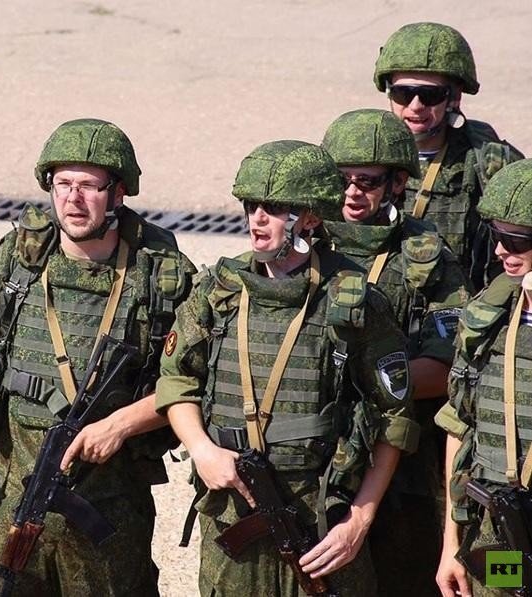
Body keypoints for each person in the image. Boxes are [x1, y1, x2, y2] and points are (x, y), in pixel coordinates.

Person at [155, 139, 419, 596]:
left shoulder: (351, 300)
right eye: (251, 206)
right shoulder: (218, 291)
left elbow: (394, 417)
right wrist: (202, 450)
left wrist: (359, 520)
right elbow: (177, 381)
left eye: (275, 209)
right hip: (231, 513)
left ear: (310, 218)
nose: (257, 219)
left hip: (320, 517)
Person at [0, 118, 196, 596]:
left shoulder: (160, 277)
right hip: (17, 485)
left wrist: (120, 425)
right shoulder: (19, 261)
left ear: (118, 193)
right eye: (63, 184)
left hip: (111, 495)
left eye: (89, 186)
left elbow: (190, 381)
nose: (73, 200)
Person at [321, 107, 471, 596]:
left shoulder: (424, 258)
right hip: (317, 453)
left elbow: (448, 367)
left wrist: (367, 383)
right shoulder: (305, 245)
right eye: (341, 179)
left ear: (398, 183)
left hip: (404, 459)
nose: (351, 193)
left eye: (366, 181)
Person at [435, 159, 532, 597]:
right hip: (501, 529)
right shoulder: (487, 316)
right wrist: (450, 546)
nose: (499, 251)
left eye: (515, 240)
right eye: (496, 236)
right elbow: (460, 425)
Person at [373, 21, 524, 291]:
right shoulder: (362, 154)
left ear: (454, 97)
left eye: (430, 95)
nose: (415, 106)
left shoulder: (489, 163)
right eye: (403, 93)